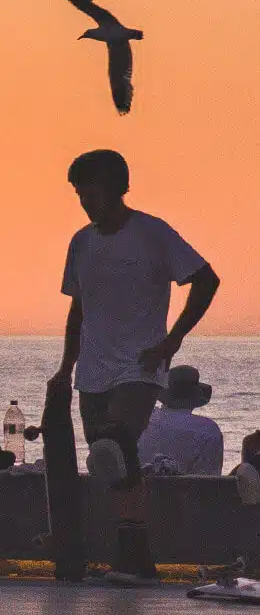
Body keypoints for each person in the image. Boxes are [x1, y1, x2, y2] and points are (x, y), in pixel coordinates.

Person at [48, 149, 220, 586]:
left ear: (116, 186)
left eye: (91, 188)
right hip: (92, 370)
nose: (84, 198)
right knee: (111, 464)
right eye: (78, 190)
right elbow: (78, 310)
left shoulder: (152, 233)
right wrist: (66, 367)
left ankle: (134, 559)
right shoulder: (81, 242)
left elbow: (206, 278)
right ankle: (136, 559)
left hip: (140, 366)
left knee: (115, 444)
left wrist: (172, 339)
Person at [138, 366, 223, 478]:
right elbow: (208, 480)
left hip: (138, 492)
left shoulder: (142, 419)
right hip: (184, 493)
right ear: (195, 397)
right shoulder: (208, 430)